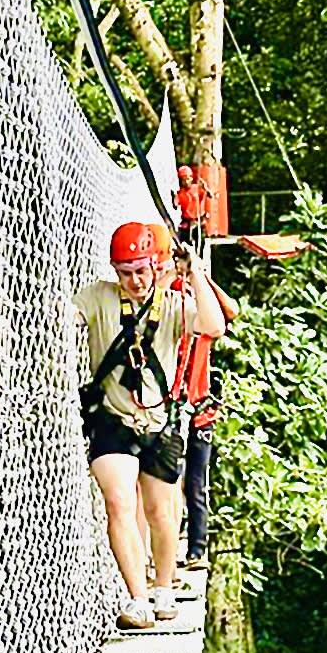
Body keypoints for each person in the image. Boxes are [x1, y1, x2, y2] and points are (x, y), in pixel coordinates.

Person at [74, 222, 227, 629]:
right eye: (125, 272)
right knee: (119, 501)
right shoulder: (99, 297)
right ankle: (137, 598)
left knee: (161, 511)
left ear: (155, 267)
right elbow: (64, 315)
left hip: (159, 422)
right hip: (112, 418)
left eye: (141, 271)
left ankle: (162, 588)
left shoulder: (173, 304)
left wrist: (194, 273)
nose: (135, 281)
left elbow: (214, 326)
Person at [170, 252, 241, 572]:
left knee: (196, 483)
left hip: (199, 409)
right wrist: (177, 273)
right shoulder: (171, 305)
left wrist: (199, 274)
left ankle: (197, 549)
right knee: (168, 481)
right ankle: (172, 542)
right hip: (169, 408)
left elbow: (231, 311)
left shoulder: (205, 314)